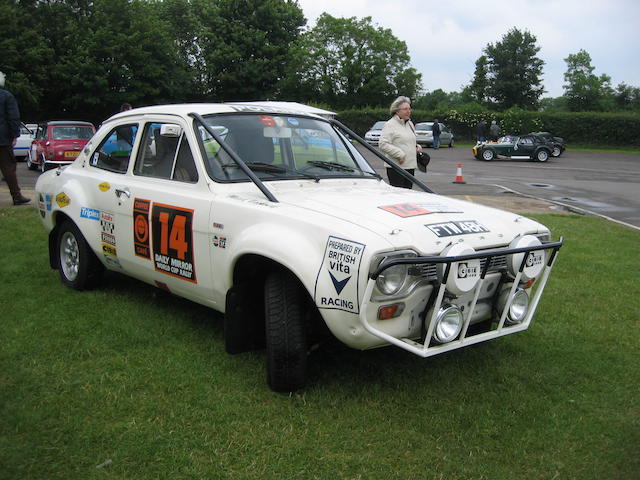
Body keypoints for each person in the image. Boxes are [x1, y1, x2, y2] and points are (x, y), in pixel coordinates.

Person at [0, 71, 30, 206]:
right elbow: (13, 117)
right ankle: (16, 196)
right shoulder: (6, 96)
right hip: (3, 138)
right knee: (8, 167)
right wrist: (14, 135)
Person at [379, 96, 422, 189]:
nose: (408, 111)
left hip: (410, 166)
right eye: (405, 109)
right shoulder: (390, 125)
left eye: (409, 109)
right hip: (396, 167)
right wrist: (400, 154)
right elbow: (383, 144)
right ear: (397, 111)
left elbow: (408, 141)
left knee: (407, 195)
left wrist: (416, 146)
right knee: (398, 197)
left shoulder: (410, 124)